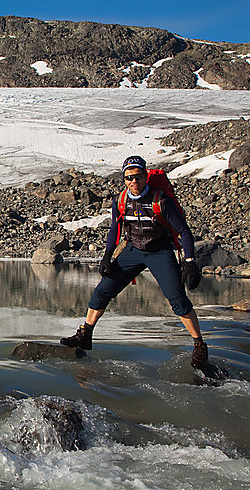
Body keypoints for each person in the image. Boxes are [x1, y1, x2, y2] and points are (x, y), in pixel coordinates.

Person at [60, 155, 207, 368]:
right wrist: (107, 256)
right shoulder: (120, 201)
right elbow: (114, 230)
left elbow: (183, 230)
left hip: (160, 252)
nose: (134, 182)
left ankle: (199, 345)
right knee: (103, 290)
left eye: (137, 176)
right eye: (129, 178)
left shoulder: (161, 201)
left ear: (146, 176)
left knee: (177, 298)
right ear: (124, 179)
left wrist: (190, 262)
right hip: (133, 250)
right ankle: (86, 334)